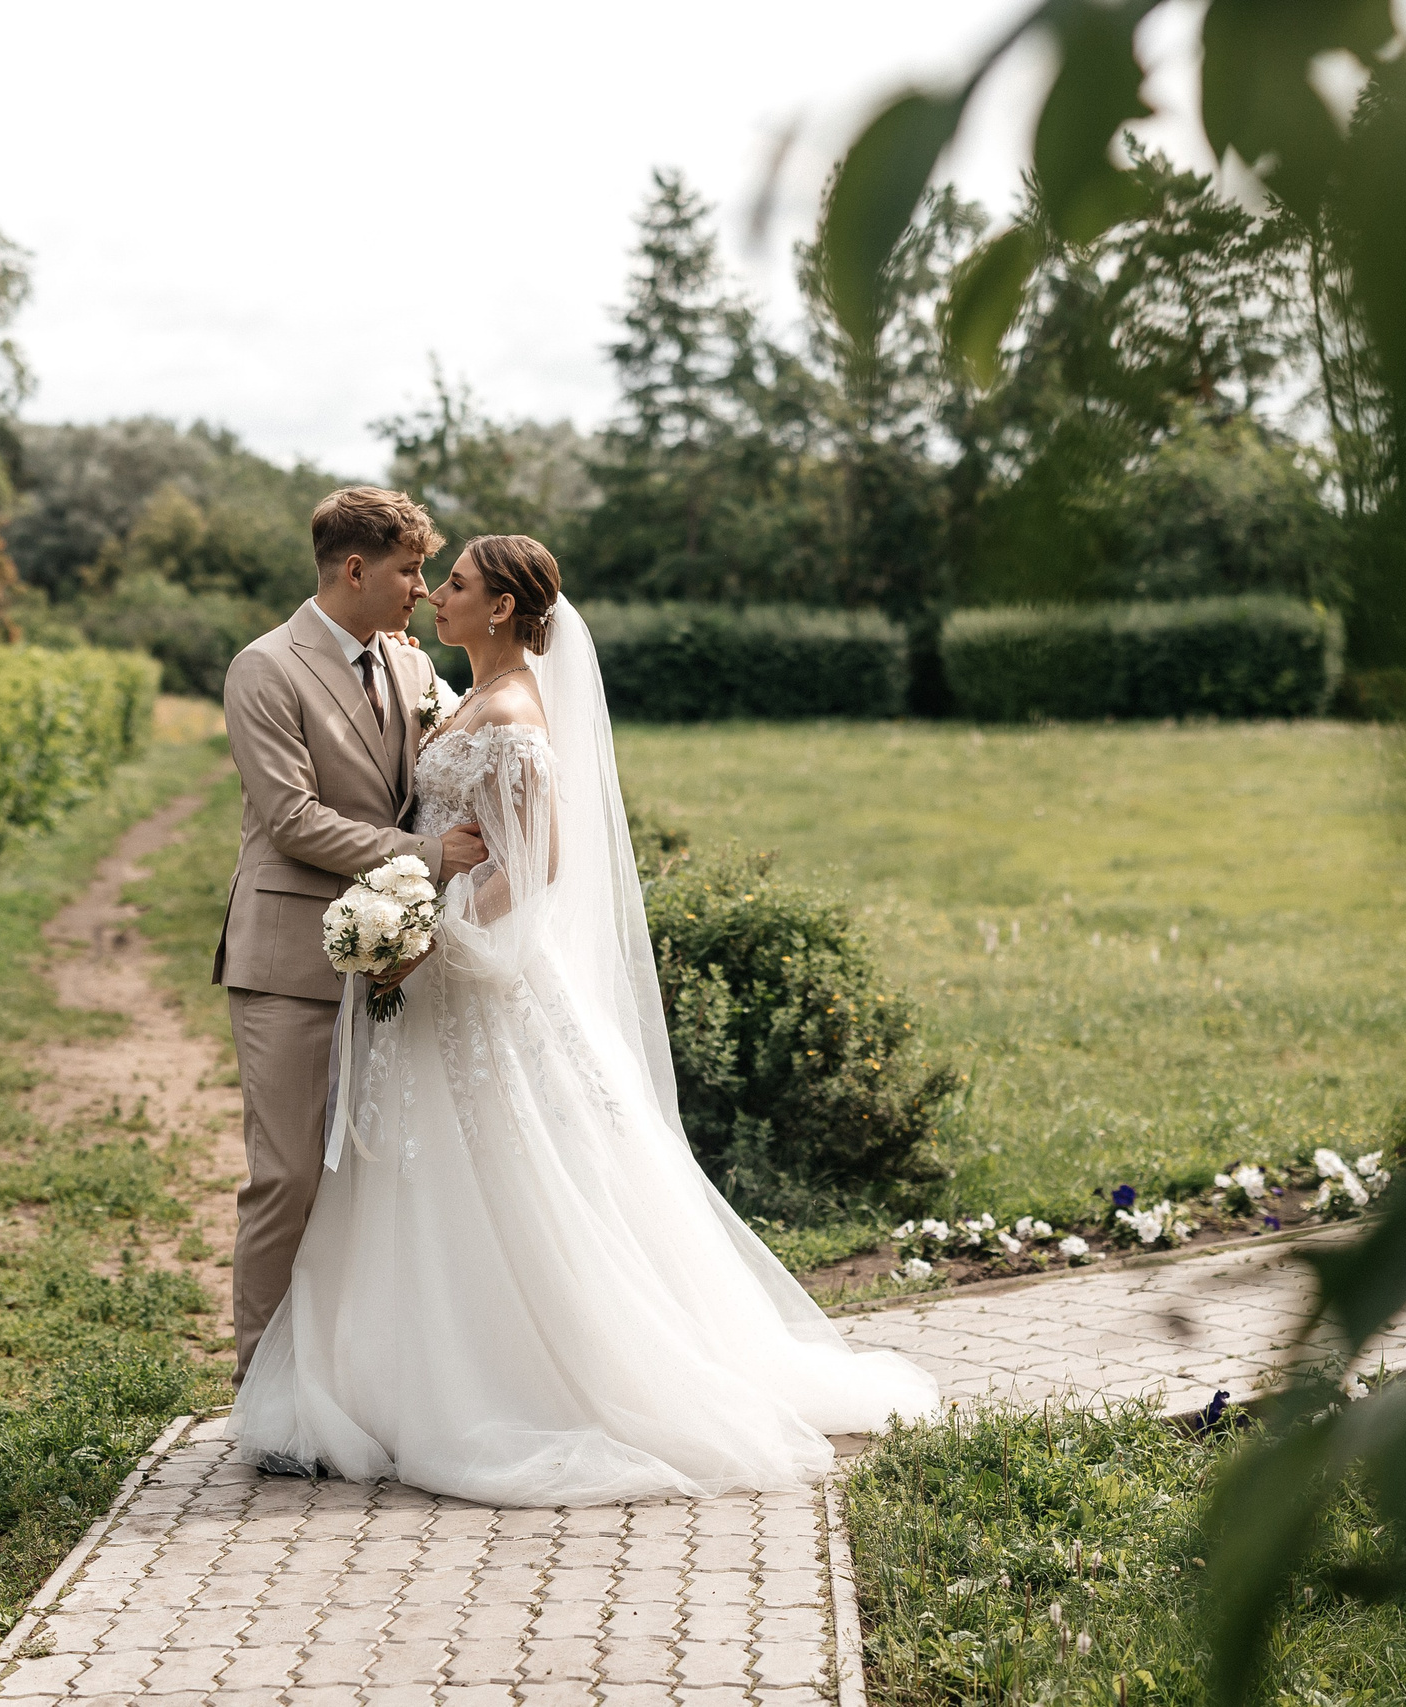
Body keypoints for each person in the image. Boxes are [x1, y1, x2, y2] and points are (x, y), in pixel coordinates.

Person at [234, 533, 939, 1506]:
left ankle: (521, 1385)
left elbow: (539, 865)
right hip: (434, 985)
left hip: (474, 982)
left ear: (504, 610)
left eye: (459, 585)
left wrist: (428, 936)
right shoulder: (464, 693)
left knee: (506, 1178)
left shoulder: (516, 716)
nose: (437, 595)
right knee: (413, 1180)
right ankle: (391, 1387)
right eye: (433, 579)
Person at [213, 486, 488, 1386]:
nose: (421, 588)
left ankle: (348, 1383)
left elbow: (443, 761)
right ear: (357, 567)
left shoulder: (409, 668)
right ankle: (263, 1395)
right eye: (410, 570)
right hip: (289, 959)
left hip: (392, 956)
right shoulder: (264, 668)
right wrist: (426, 855)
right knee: (289, 1176)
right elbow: (292, 819)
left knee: (365, 1185)